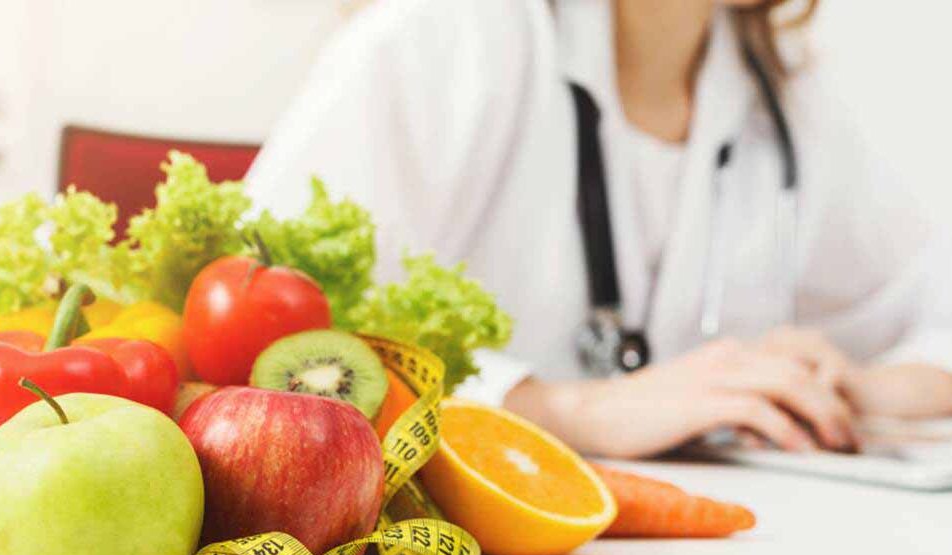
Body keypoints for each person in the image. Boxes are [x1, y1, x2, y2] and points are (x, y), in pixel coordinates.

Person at [244, 0, 952, 458]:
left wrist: (855, 387)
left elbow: (933, 307)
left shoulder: (783, 92)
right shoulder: (445, 37)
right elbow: (250, 329)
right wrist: (564, 410)